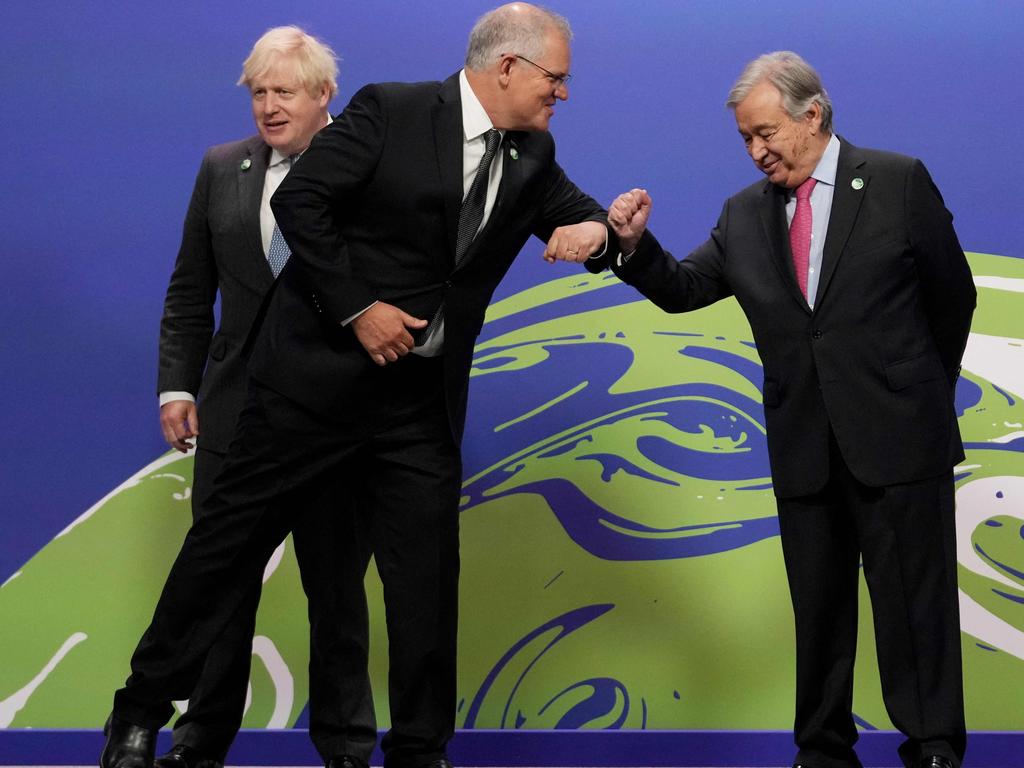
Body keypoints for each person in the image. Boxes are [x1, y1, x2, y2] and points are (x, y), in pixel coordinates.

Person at [100, 5, 611, 768]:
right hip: (312, 390)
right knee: (224, 552)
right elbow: (298, 202)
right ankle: (139, 711)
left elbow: (579, 218)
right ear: (508, 67)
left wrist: (605, 229)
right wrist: (358, 309)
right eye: (556, 77)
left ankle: (418, 750)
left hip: (415, 409)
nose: (563, 92)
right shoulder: (393, 109)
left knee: (425, 586)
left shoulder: (532, 152)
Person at [559, 51, 974, 768]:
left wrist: (917, 394)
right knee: (818, 615)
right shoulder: (744, 215)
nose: (756, 152)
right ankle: (822, 751)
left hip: (901, 441)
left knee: (917, 612)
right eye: (745, 139)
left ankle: (933, 747)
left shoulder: (899, 181)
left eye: (764, 133)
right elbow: (684, 288)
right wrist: (631, 247)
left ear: (812, 114)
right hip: (805, 446)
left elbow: (952, 297)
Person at [148, 26, 376, 768]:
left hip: (333, 418)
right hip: (235, 411)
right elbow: (191, 289)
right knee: (219, 588)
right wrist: (179, 384)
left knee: (336, 592)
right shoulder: (222, 168)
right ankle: (199, 742)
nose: (269, 108)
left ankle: (345, 747)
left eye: (283, 92)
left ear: (323, 96)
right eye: (258, 93)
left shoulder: (371, 167)